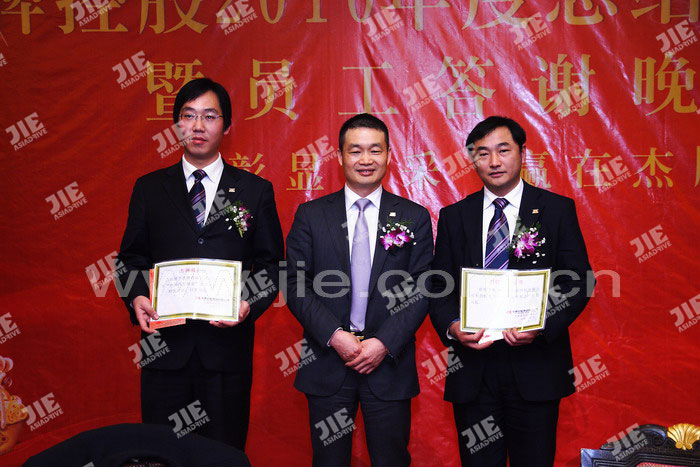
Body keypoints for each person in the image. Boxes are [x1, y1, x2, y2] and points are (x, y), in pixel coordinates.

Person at [116, 77, 284, 449]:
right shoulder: (150, 188)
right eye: (188, 116)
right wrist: (137, 297)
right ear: (177, 124)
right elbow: (129, 259)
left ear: (227, 125)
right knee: (162, 453)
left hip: (226, 352)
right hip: (164, 350)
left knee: (222, 452)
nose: (197, 126)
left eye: (209, 116)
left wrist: (248, 302)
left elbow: (272, 265)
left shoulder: (255, 190)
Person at [429, 116, 594, 466]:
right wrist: (453, 326)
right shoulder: (455, 216)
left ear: (522, 152)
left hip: (536, 367)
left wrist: (540, 324)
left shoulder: (556, 209)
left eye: (503, 150)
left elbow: (579, 281)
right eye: (483, 153)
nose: (494, 161)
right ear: (473, 160)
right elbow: (439, 285)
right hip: (473, 370)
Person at [285, 113, 433, 466]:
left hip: (388, 362)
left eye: (375, 150)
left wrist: (383, 343)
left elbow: (424, 287)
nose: (365, 159)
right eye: (355, 150)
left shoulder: (413, 216)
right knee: (329, 460)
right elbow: (294, 282)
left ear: (389, 155)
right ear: (340, 156)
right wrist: (335, 336)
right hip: (328, 360)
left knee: (391, 459)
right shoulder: (311, 215)